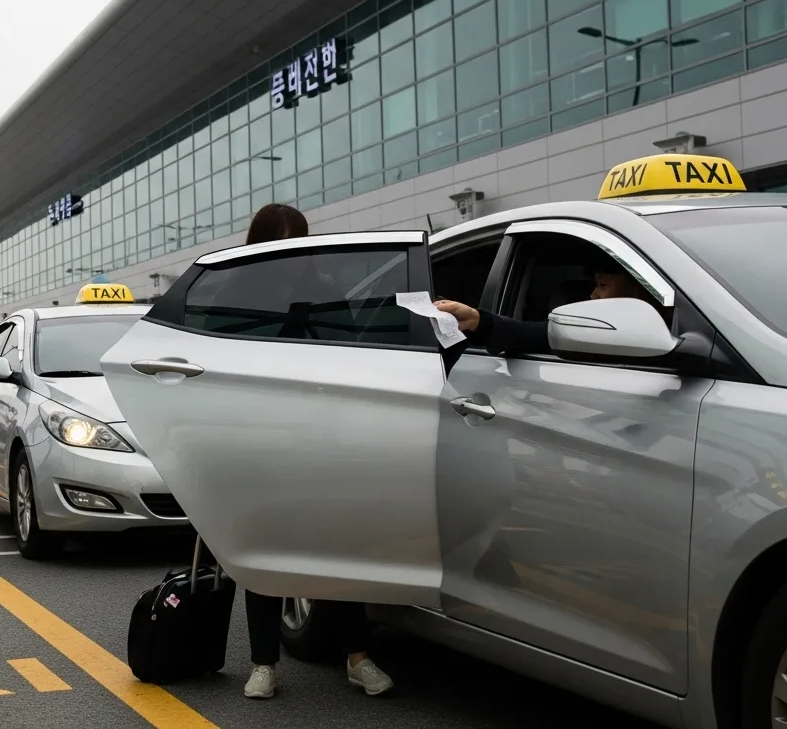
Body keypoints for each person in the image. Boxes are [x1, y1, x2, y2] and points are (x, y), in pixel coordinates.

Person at [232, 204, 394, 700]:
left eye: (297, 240)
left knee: (337, 547)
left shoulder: (325, 291)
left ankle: (358, 657)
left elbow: (350, 349)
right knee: (264, 551)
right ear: (260, 243)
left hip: (323, 436)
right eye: (281, 240)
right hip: (261, 437)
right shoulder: (233, 292)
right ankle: (263, 664)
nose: (291, 252)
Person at [434, 255, 659, 356]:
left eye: (602, 284)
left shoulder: (678, 335)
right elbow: (536, 335)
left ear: (638, 288)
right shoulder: (588, 330)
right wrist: (477, 321)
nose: (593, 295)